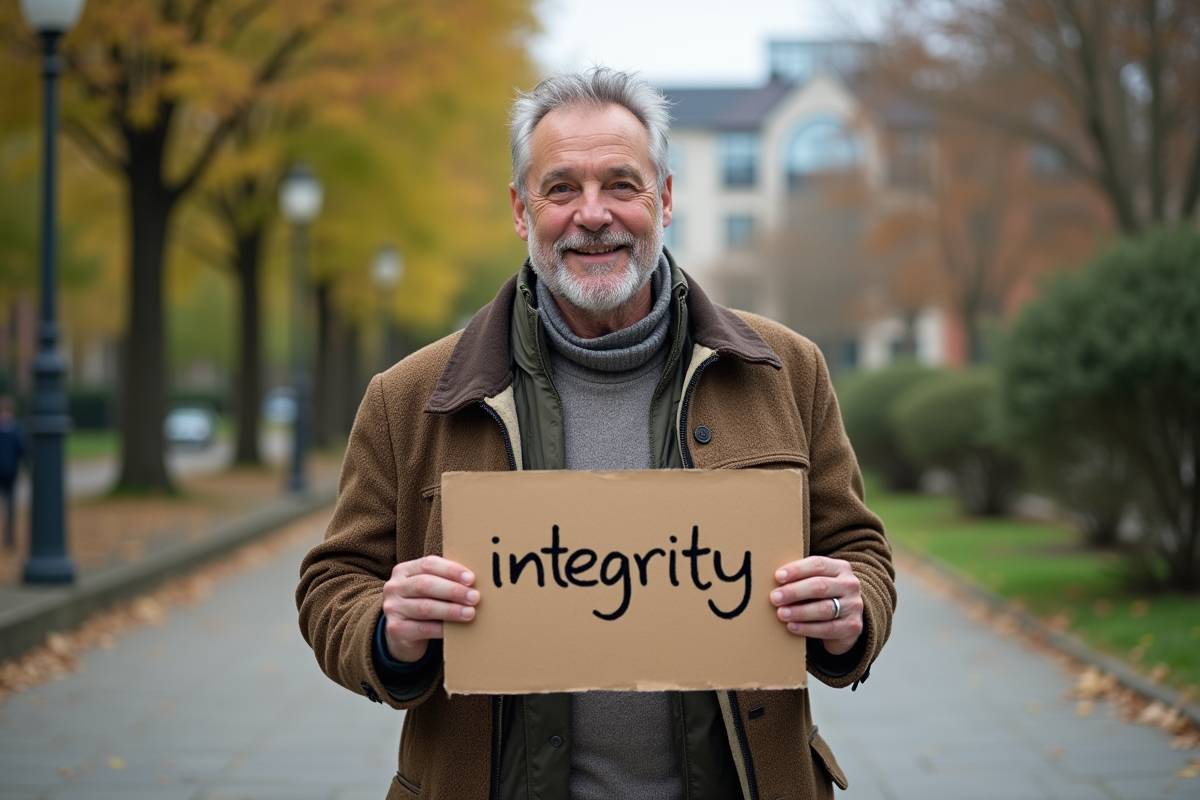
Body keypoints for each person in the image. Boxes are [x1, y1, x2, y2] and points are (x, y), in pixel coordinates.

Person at [297, 68, 895, 800]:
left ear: (664, 199)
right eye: (561, 189)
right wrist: (388, 631)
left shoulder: (786, 370)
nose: (592, 214)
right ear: (521, 211)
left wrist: (847, 611)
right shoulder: (409, 398)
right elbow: (332, 584)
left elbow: (859, 551)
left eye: (620, 185)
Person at [0, 395, 26, 549]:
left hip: (10, 473)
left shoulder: (17, 428)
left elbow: (22, 449)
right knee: (10, 506)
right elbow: (23, 450)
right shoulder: (16, 428)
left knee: (10, 506)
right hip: (9, 472)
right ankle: (9, 535)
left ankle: (9, 535)